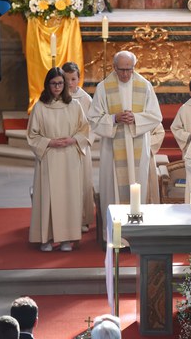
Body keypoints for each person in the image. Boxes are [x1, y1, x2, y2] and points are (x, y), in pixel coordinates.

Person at [87, 51, 162, 238]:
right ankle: (114, 236)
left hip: (138, 144)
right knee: (113, 190)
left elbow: (155, 116)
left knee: (138, 186)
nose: (126, 74)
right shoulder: (104, 88)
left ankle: (137, 234)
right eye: (122, 70)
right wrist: (114, 118)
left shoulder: (144, 86)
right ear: (114, 67)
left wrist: (135, 118)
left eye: (129, 69)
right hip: (112, 149)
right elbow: (93, 118)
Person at [27, 67, 89, 252]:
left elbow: (85, 129)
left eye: (61, 83)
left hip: (69, 157)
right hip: (49, 157)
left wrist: (73, 140)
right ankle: (46, 238)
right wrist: (50, 142)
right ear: (47, 84)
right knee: (48, 197)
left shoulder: (74, 106)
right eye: (54, 83)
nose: (57, 87)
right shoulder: (40, 106)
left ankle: (66, 239)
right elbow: (32, 135)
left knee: (68, 198)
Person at [62, 62, 95, 233]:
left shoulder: (86, 99)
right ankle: (64, 217)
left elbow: (92, 125)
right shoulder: (56, 98)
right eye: (66, 79)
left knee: (82, 183)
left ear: (79, 79)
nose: (69, 83)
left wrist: (78, 140)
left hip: (81, 147)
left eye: (73, 79)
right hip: (62, 147)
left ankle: (83, 218)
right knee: (65, 183)